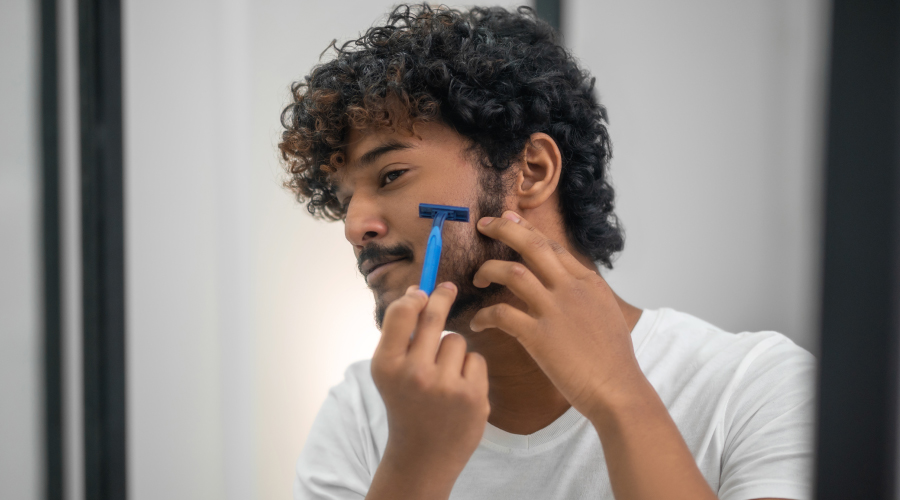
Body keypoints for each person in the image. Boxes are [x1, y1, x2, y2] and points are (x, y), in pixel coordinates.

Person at [278, 5, 815, 500]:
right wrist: (412, 465)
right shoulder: (364, 416)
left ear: (531, 170)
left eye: (391, 174)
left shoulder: (754, 389)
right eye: (345, 203)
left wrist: (619, 398)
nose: (354, 228)